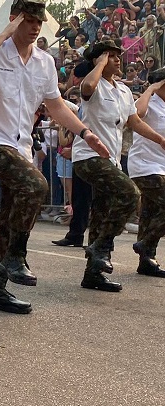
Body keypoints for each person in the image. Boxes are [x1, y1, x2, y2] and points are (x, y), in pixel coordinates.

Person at [0, 0, 109, 314]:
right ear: (14, 19)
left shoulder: (44, 62)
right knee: (35, 184)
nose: (34, 28)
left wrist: (85, 133)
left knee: (10, 216)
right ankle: (16, 255)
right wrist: (5, 33)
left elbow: (55, 106)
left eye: (38, 22)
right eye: (28, 21)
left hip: (22, 148)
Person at [75, 40, 165, 291]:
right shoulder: (94, 85)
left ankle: (93, 273)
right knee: (129, 193)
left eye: (118, 55)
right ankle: (102, 247)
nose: (117, 59)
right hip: (88, 156)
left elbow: (134, 122)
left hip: (111, 159)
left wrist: (159, 139)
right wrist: (99, 62)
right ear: (99, 60)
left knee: (102, 212)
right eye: (111, 56)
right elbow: (87, 87)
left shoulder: (123, 91)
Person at [129, 68, 165, 277]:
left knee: (150, 213)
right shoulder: (149, 102)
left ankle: (146, 261)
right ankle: (146, 243)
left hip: (161, 165)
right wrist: (151, 89)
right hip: (144, 165)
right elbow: (137, 114)